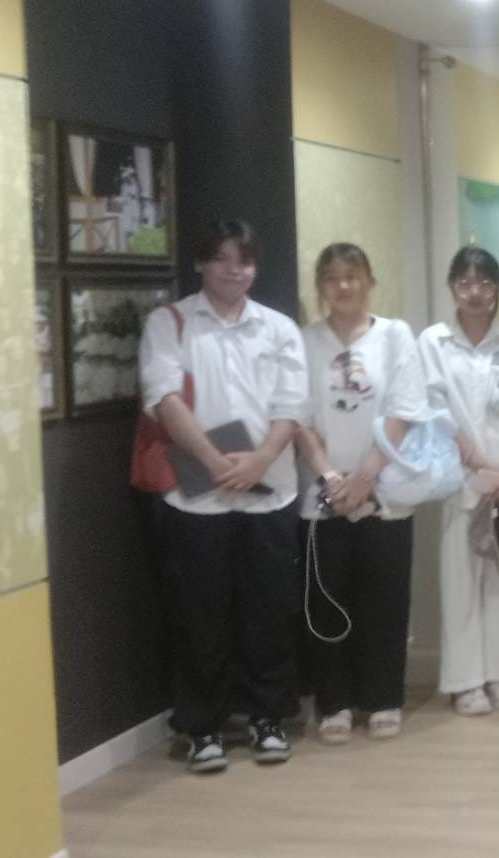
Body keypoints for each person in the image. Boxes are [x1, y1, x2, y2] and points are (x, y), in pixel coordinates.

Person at [138, 220, 307, 773]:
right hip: (197, 496)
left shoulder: (279, 328)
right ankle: (202, 727)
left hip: (270, 490)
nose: (235, 270)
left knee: (269, 612)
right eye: (222, 259)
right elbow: (164, 398)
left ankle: (267, 718)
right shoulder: (170, 323)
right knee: (198, 616)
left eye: (245, 260)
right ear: (200, 263)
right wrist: (215, 463)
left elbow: (291, 404)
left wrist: (259, 460)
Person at [294, 243, 424, 743]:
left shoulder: (394, 335)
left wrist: (364, 478)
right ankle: (334, 703)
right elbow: (298, 417)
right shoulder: (305, 341)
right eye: (331, 277)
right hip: (324, 492)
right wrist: (332, 478)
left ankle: (383, 698)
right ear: (320, 287)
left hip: (384, 488)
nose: (343, 285)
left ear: (370, 280)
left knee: (384, 601)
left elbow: (404, 410)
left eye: (352, 275)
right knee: (328, 600)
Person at [418, 247, 499, 717]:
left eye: (485, 283)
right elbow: (432, 410)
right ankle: (466, 682)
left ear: (498, 289)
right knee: (460, 583)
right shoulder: (433, 342)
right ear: (452, 287)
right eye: (465, 283)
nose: (475, 292)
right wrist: (476, 466)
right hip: (459, 481)